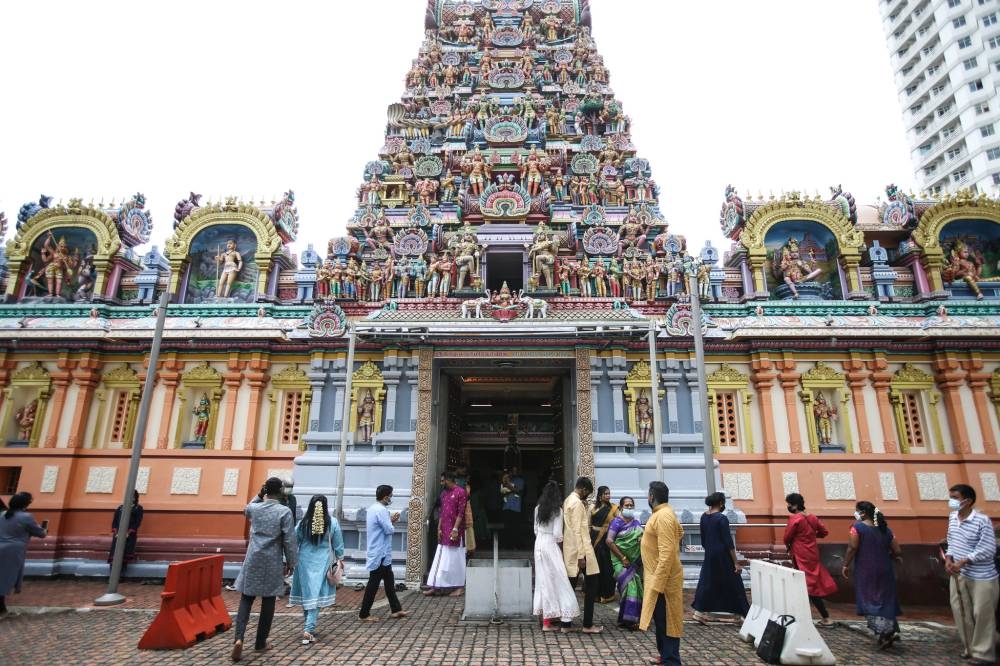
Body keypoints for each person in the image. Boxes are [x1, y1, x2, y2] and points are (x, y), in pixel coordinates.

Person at [231, 477, 296, 662]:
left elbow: (246, 507)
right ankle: (260, 642)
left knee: (246, 598)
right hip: (272, 560)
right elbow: (289, 540)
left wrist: (259, 495)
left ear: (265, 491)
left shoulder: (255, 508)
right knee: (268, 602)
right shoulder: (284, 512)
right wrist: (291, 561)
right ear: (281, 492)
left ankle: (239, 638)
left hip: (253, 558)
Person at [943, 483, 998, 665]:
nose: (951, 501)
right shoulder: (952, 517)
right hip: (958, 574)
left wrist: (964, 560)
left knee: (982, 613)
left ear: (967, 501)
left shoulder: (981, 521)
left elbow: (988, 549)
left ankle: (983, 653)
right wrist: (949, 559)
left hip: (981, 576)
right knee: (961, 611)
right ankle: (969, 647)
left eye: (955, 498)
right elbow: (951, 539)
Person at [841, 501, 902, 649]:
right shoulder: (886, 530)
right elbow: (897, 550)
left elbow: (852, 547)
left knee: (870, 598)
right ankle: (890, 629)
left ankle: (883, 632)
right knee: (885, 599)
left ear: (862, 513)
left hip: (866, 568)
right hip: (885, 568)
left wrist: (845, 564)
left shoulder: (857, 528)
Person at [639, 481, 684, 666]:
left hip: (663, 582)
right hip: (657, 577)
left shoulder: (663, 516)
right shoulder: (662, 514)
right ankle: (665, 656)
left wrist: (658, 584)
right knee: (661, 621)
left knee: (668, 623)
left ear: (651, 496)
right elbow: (679, 532)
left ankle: (671, 660)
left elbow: (666, 554)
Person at [290, 495, 344, 646]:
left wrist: (288, 560)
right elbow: (338, 544)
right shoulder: (332, 523)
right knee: (316, 595)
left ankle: (308, 624)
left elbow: (294, 542)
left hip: (304, 562)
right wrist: (340, 558)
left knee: (308, 594)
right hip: (323, 563)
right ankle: (308, 628)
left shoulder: (303, 524)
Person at [692, 492, 749, 623]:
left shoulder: (703, 517)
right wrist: (735, 562)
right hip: (723, 555)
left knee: (707, 581)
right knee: (735, 583)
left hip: (710, 554)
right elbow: (728, 542)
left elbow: (703, 539)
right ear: (721, 503)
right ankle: (743, 612)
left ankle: (699, 610)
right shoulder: (721, 519)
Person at [783, 492, 837, 627]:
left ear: (795, 505)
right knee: (811, 583)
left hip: (800, 554)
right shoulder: (812, 517)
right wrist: (811, 535)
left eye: (789, 504)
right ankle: (808, 615)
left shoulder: (795, 519)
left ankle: (824, 617)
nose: (788, 506)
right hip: (812, 552)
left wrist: (797, 541)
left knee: (807, 585)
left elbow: (787, 537)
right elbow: (824, 532)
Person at [533, 480, 580, 631]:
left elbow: (535, 529)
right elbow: (558, 535)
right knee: (560, 580)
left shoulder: (538, 509)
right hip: (551, 545)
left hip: (539, 544)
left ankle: (547, 621)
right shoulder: (557, 511)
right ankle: (565, 621)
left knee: (544, 581)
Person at [359, 484, 408, 621]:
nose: (391, 499)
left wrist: (390, 521)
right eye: (390, 496)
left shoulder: (373, 509)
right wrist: (391, 523)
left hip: (381, 552)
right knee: (373, 584)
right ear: (386, 497)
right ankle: (364, 613)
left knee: (389, 581)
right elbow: (389, 530)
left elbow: (383, 527)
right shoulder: (381, 510)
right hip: (380, 552)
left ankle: (396, 609)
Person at [563, 476, 603, 634]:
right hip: (582, 550)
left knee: (569, 587)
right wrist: (581, 556)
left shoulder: (568, 500)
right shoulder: (578, 504)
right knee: (591, 586)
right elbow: (579, 530)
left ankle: (565, 624)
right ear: (584, 490)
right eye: (587, 493)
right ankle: (587, 624)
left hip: (570, 549)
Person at [0, 492, 48, 616]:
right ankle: (1, 610)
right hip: (13, 551)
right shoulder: (26, 516)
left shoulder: (3, 514)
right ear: (25, 504)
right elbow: (41, 533)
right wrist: (44, 529)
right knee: (6, 578)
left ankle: (2, 608)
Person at [424, 470, 468, 597]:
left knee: (456, 559)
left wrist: (455, 529)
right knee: (441, 558)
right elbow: (442, 512)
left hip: (456, 531)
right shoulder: (444, 493)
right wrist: (439, 528)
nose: (441, 482)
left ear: (449, 480)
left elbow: (461, 513)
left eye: (443, 480)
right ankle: (436, 585)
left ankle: (459, 587)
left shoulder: (461, 492)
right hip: (444, 530)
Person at [606, 495, 643, 629]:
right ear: (621, 507)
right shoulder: (616, 522)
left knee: (635, 587)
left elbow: (641, 538)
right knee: (630, 586)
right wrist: (623, 558)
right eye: (626, 505)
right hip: (619, 562)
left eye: (631, 505)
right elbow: (609, 541)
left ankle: (626, 619)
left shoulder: (636, 523)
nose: (629, 507)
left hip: (634, 562)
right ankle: (630, 620)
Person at [591, 485, 618, 604]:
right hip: (594, 540)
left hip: (606, 540)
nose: (608, 496)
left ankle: (607, 594)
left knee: (607, 567)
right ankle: (594, 593)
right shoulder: (593, 507)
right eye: (605, 494)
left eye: (609, 493)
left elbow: (619, 522)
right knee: (594, 567)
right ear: (600, 496)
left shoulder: (614, 508)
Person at [107, 490, 143, 574]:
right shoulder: (120, 508)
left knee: (124, 555)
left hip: (129, 535)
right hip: (118, 535)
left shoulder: (138, 508)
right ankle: (112, 575)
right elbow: (115, 520)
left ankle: (121, 575)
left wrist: (129, 532)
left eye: (132, 496)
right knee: (115, 554)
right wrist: (116, 532)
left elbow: (138, 521)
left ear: (135, 497)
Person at [501, 467, 525, 549]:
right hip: (506, 507)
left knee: (515, 528)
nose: (513, 473)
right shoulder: (504, 479)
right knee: (507, 527)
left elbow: (519, 491)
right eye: (512, 471)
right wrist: (508, 486)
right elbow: (502, 491)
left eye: (515, 471)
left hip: (516, 508)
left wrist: (508, 486)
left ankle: (516, 545)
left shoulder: (520, 481)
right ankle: (507, 546)